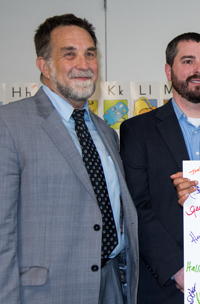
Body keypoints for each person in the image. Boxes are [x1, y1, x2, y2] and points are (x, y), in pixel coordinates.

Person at [0, 14, 139, 304]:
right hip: (45, 294)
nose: (84, 64)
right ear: (43, 65)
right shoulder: (9, 124)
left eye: (90, 54)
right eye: (69, 54)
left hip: (111, 286)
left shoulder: (105, 131)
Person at [119, 32, 200, 304]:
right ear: (168, 70)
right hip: (163, 286)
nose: (199, 69)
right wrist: (177, 270)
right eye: (188, 61)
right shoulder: (137, 131)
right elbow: (135, 209)